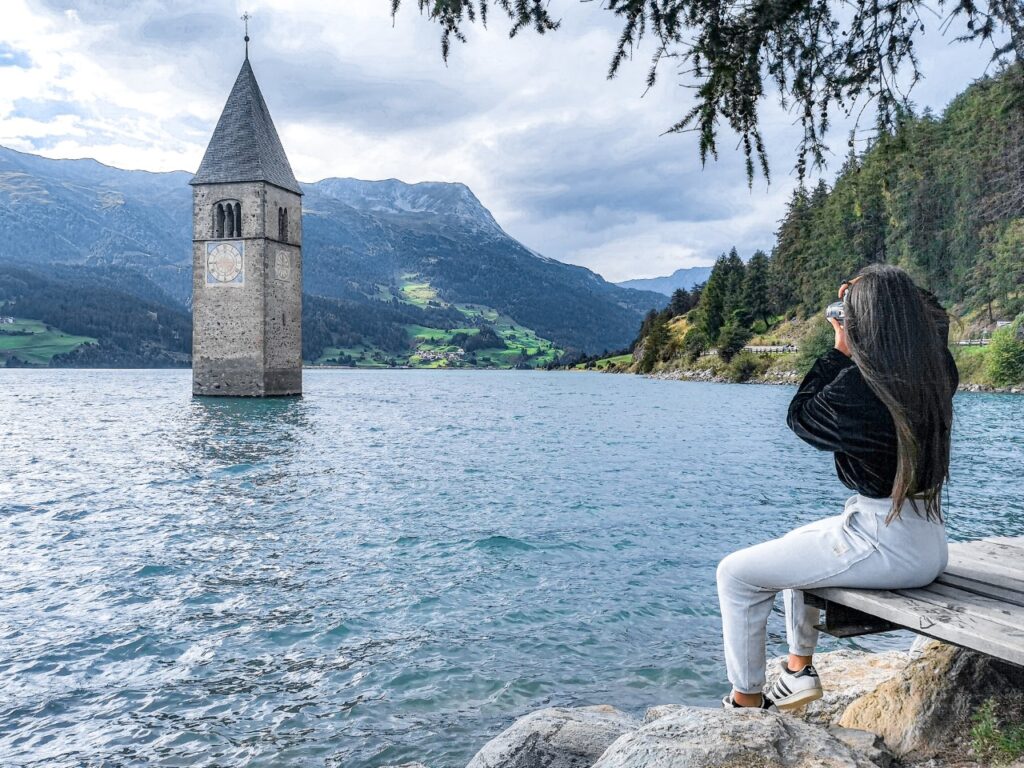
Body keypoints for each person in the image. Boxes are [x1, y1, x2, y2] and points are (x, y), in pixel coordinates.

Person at [716, 263, 958, 711]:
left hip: (888, 542)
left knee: (736, 574)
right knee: (794, 545)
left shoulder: (866, 389)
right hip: (922, 535)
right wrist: (870, 296)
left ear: (862, 321)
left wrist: (839, 348)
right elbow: (931, 317)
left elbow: (802, 416)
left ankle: (746, 702)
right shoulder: (936, 370)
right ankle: (796, 670)